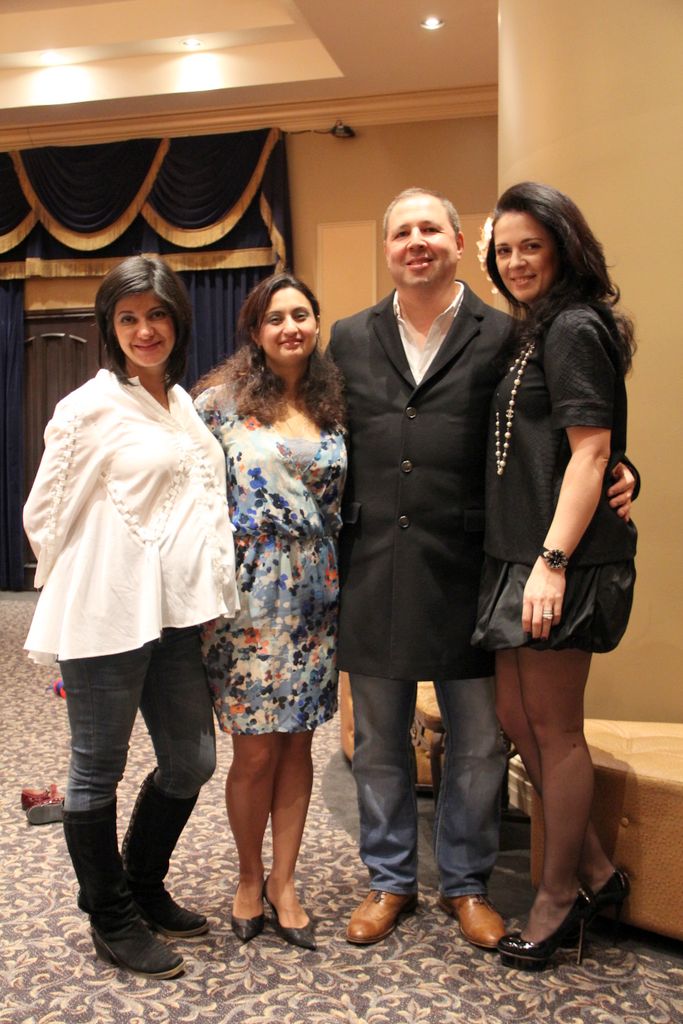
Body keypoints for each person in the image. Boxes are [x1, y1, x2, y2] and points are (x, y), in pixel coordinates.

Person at [327, 187, 635, 951]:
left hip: (474, 568)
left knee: (477, 742)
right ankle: (389, 879)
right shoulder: (348, 337)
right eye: (401, 231)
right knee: (378, 740)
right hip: (373, 566)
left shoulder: (507, 333)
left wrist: (623, 469)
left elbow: (566, 430)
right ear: (386, 248)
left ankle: (465, 884)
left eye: (430, 229)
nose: (415, 242)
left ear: (459, 244)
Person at [23, 256, 239, 979]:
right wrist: (95, 574)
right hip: (106, 612)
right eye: (128, 318)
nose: (144, 330)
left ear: (177, 321)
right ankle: (110, 915)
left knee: (192, 760)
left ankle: (142, 883)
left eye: (157, 315)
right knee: (97, 767)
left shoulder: (179, 403)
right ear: (109, 327)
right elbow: (42, 516)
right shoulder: (88, 407)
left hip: (174, 615)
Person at [472, 181, 637, 970]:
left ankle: (556, 899)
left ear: (563, 248)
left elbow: (591, 450)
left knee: (555, 728)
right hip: (516, 554)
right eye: (504, 250)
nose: (515, 262)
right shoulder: (532, 327)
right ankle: (598, 873)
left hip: (553, 562)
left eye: (530, 246)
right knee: (516, 716)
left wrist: (551, 564)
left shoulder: (572, 325)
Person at [194, 272, 346, 951]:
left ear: (315, 323)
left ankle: (285, 881)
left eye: (301, 315)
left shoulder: (334, 404)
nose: (290, 327)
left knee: (298, 744)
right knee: (254, 751)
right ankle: (248, 876)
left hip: (316, 592)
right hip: (248, 596)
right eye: (275, 318)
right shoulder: (217, 406)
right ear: (255, 331)